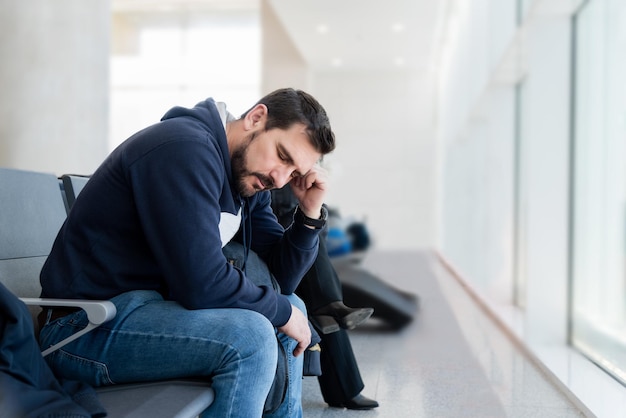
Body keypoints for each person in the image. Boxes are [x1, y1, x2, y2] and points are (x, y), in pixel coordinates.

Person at [38, 88, 336, 417]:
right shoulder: (184, 148)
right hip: (84, 326)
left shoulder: (248, 178)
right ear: (255, 118)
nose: (280, 179)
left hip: (148, 312)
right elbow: (200, 283)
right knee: (251, 339)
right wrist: (278, 310)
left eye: (293, 172)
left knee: (291, 305)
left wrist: (309, 215)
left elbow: (281, 280)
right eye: (282, 155)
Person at [271, 185, 379, 410]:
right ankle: (345, 390)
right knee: (319, 298)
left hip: (292, 232)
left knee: (311, 239)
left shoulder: (300, 171)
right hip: (266, 232)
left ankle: (330, 307)